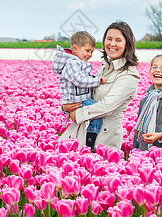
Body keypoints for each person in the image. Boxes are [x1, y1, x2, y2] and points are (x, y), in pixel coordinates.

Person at [60, 22, 140, 150]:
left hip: (104, 139)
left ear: (127, 44)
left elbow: (107, 106)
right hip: (83, 133)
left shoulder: (129, 75)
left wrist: (79, 114)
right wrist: (67, 107)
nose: (112, 44)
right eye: (109, 39)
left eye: (118, 40)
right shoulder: (105, 67)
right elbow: (85, 94)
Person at [52, 31, 107, 149]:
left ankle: (87, 142)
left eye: (92, 51)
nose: (90, 54)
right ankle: (90, 143)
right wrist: (97, 80)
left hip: (79, 98)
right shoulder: (72, 63)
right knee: (96, 115)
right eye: (87, 51)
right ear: (75, 48)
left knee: (94, 115)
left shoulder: (76, 62)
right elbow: (79, 81)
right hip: (78, 100)